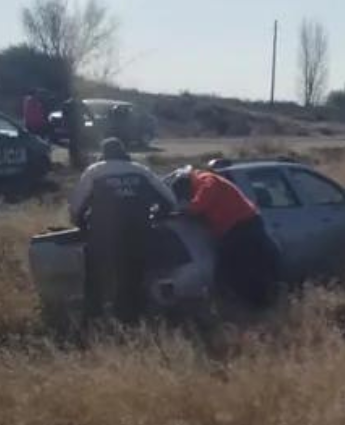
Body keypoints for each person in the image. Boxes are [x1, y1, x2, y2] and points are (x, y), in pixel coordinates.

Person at [68, 138, 177, 324]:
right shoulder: (141, 171)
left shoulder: (95, 171)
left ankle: (92, 321)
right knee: (134, 278)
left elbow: (76, 207)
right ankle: (134, 322)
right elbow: (170, 200)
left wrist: (83, 226)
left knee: (96, 278)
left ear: (104, 154)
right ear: (124, 153)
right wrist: (155, 216)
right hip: (138, 234)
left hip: (103, 235)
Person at [172, 165, 280, 310]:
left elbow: (200, 204)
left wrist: (183, 210)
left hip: (244, 226)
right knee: (240, 267)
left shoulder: (208, 181)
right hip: (238, 227)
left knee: (241, 267)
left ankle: (257, 305)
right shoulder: (205, 182)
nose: (188, 196)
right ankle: (253, 304)